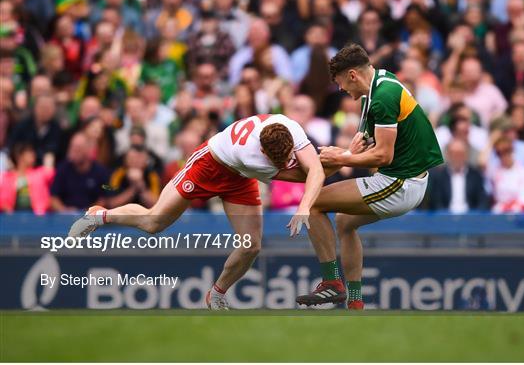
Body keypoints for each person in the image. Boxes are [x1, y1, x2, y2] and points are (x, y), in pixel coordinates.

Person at [68, 114, 325, 310]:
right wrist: (343, 158)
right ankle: (100, 215)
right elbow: (309, 172)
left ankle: (216, 294)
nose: (284, 161)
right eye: (276, 160)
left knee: (251, 245)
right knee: (154, 221)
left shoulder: (288, 125)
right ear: (262, 152)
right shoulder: (251, 156)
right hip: (209, 165)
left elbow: (315, 170)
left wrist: (304, 206)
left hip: (239, 177)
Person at [293, 44, 444, 309]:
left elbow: (382, 156)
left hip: (400, 183)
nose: (341, 89)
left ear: (352, 75)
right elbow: (363, 146)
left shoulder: (383, 97)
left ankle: (331, 284)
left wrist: (341, 158)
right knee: (344, 222)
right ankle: (355, 303)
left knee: (314, 203)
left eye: (340, 82)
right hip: (409, 179)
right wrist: (346, 153)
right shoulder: (379, 83)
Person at [428, 139, 490, 213]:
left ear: (466, 155)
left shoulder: (475, 175)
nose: (457, 157)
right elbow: (436, 201)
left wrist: (476, 217)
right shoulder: (439, 176)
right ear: (448, 155)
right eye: (454, 154)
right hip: (445, 218)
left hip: (470, 218)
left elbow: (482, 199)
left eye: (460, 154)